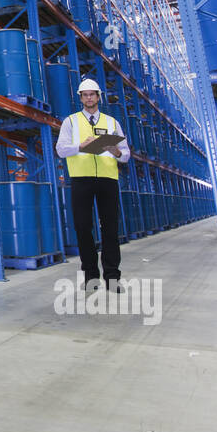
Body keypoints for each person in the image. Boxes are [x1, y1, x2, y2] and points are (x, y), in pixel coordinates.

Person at [55, 78, 131, 292]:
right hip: (81, 178)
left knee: (110, 229)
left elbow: (125, 155)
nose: (89, 98)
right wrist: (80, 146)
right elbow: (61, 150)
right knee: (83, 228)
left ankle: (113, 277)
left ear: (98, 97)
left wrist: (116, 152)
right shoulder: (70, 122)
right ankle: (91, 277)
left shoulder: (112, 122)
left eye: (92, 94)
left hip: (108, 179)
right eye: (85, 95)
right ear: (80, 98)